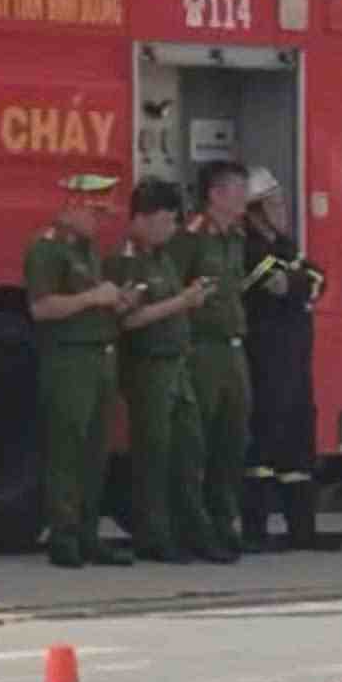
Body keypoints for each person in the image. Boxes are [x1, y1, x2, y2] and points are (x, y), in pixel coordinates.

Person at [108, 180, 230, 565]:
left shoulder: (163, 258)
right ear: (142, 218)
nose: (171, 229)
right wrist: (182, 302)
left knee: (189, 452)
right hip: (149, 367)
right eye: (165, 221)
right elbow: (129, 320)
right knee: (154, 455)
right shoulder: (127, 260)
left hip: (177, 364)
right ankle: (154, 536)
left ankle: (194, 531)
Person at [25, 174, 137, 569]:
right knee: (67, 450)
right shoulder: (47, 248)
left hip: (99, 357)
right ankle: (64, 536)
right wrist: (93, 297)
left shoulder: (87, 249)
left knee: (95, 452)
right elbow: (41, 307)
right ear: (71, 205)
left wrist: (117, 301)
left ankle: (89, 534)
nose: (100, 220)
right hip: (69, 360)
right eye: (94, 211)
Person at [239, 166, 339, 552]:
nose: (283, 210)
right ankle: (256, 530)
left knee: (298, 442)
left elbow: (318, 278)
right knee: (264, 444)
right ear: (254, 212)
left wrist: (300, 281)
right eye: (274, 204)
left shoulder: (282, 245)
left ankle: (303, 529)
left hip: (294, 358)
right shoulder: (250, 249)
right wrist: (302, 281)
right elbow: (281, 284)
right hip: (266, 357)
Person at [168, 161, 256, 555]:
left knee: (232, 440)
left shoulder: (235, 238)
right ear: (215, 195)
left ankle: (225, 522)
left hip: (233, 349)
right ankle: (193, 528)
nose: (244, 200)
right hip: (201, 350)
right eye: (238, 191)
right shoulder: (191, 237)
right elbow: (174, 292)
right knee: (196, 443)